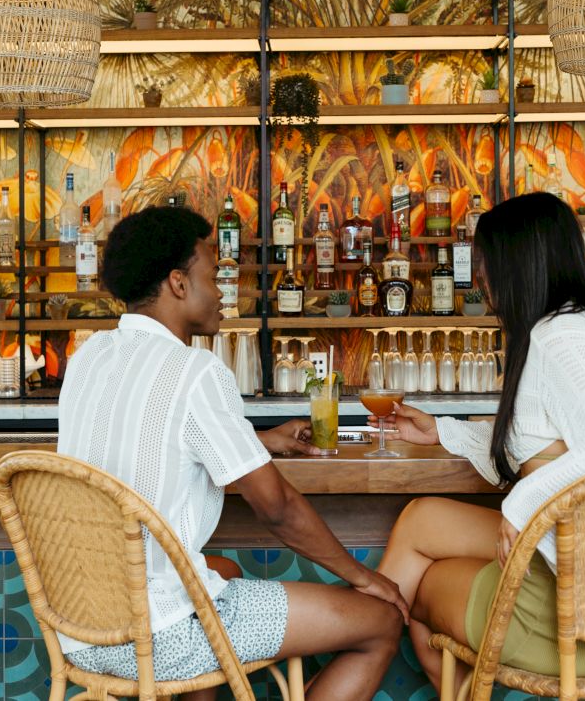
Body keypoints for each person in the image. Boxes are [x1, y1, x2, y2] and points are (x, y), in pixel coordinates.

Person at [57, 205, 407, 701]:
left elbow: (150, 444)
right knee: (382, 622)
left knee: (223, 571)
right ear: (178, 283)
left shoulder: (87, 356)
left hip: (79, 627)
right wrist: (363, 576)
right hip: (160, 637)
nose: (223, 289)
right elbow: (277, 508)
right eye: (212, 273)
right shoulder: (194, 371)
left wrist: (255, 443)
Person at [375, 192, 585, 691]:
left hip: (570, 623)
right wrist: (443, 431)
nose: (481, 277)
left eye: (485, 263)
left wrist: (523, 503)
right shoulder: (578, 329)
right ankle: (361, 636)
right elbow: (541, 441)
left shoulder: (560, 340)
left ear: (517, 262)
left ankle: (355, 647)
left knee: (412, 591)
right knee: (421, 519)